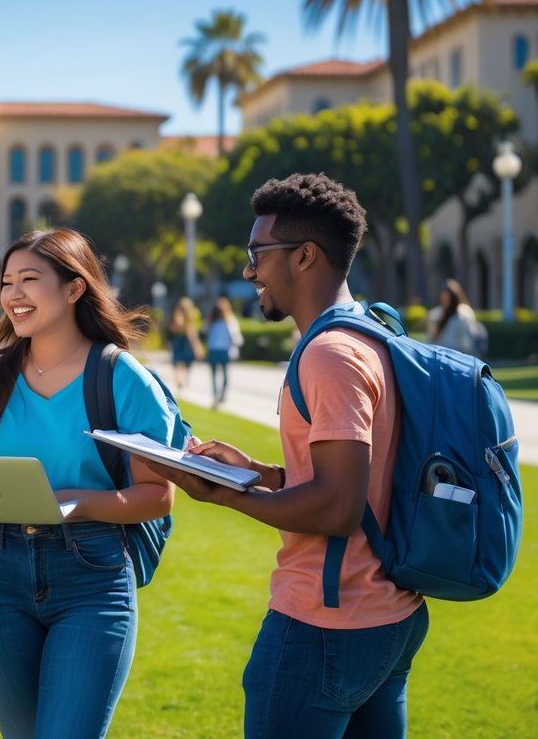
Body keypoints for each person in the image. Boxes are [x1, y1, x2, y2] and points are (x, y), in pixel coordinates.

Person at [144, 173, 428, 739]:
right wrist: (256, 471)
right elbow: (357, 481)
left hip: (327, 620)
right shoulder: (373, 334)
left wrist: (227, 494)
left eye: (257, 254)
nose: (249, 271)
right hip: (390, 613)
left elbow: (337, 509)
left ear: (304, 256)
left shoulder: (329, 354)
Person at [0, 228, 177, 739]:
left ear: (75, 288)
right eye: (6, 281)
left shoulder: (123, 377)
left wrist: (77, 503)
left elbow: (157, 496)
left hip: (93, 576)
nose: (13, 295)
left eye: (29, 280)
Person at [427, 278, 486, 357]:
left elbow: (468, 343)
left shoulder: (463, 314)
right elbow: (430, 340)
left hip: (457, 358)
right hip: (439, 357)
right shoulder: (437, 314)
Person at [205, 295, 244, 407]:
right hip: (222, 350)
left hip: (214, 350)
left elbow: (205, 332)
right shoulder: (228, 321)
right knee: (224, 375)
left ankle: (217, 396)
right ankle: (220, 396)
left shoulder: (214, 321)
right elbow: (235, 337)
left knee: (215, 375)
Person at [166, 295, 203, 389]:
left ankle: (180, 378)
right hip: (182, 340)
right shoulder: (180, 315)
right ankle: (180, 379)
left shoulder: (191, 315)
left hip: (182, 340)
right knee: (181, 362)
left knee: (181, 362)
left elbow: (190, 330)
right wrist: (197, 346)